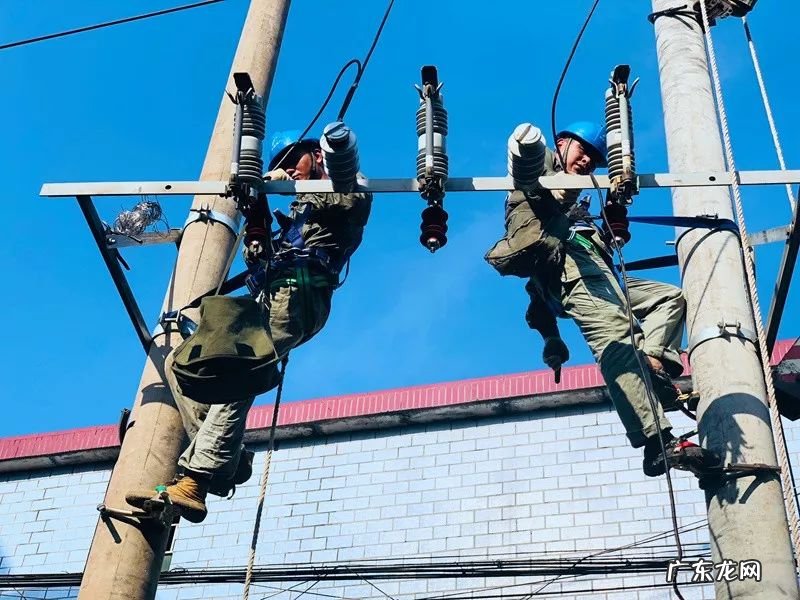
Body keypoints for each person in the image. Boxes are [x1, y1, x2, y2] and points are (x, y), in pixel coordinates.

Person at [128, 130, 372, 522]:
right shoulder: (292, 216)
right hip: (268, 300)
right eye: (280, 164)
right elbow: (259, 253)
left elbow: (346, 199)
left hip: (299, 297)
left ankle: (198, 479)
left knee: (234, 374)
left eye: (295, 159)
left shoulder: (345, 189)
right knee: (180, 365)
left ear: (317, 155)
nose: (288, 168)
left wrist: (291, 184)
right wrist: (257, 227)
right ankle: (230, 458)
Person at [485, 121, 719, 477]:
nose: (587, 163)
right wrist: (552, 340)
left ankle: (654, 362)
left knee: (667, 298)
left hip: (601, 273)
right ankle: (658, 443)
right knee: (617, 341)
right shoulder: (539, 173)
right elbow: (525, 154)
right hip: (571, 271)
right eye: (583, 152)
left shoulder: (577, 207)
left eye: (594, 160)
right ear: (562, 143)